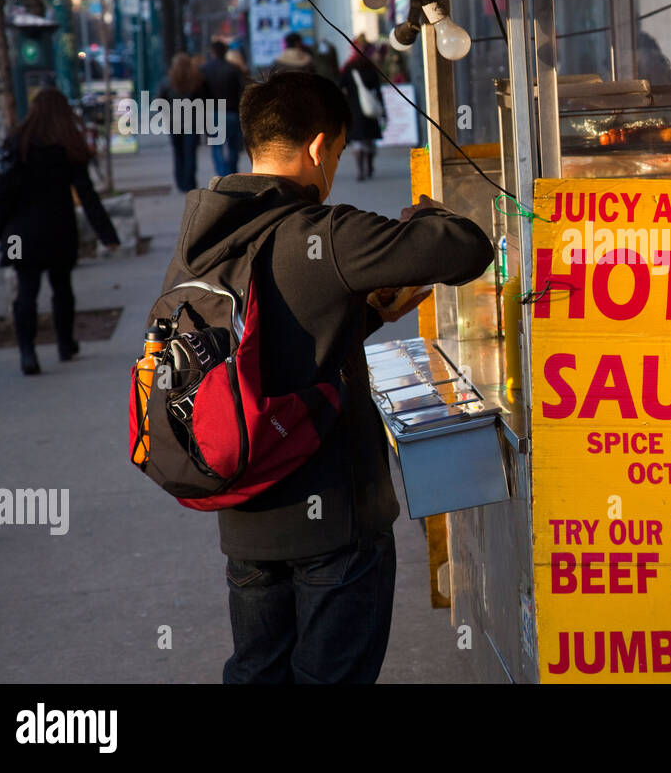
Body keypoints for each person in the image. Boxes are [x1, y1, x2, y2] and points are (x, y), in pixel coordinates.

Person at [161, 71, 493, 683]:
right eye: (336, 153)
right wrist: (427, 211)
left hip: (245, 518)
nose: (334, 168)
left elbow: (256, 352)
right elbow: (466, 248)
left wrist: (364, 314)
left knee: (257, 671)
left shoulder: (201, 241)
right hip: (335, 518)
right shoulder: (326, 233)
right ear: (319, 147)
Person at [0, 88, 120, 375]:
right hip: (58, 231)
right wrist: (107, 234)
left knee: (26, 291)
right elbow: (88, 195)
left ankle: (27, 352)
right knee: (62, 288)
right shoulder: (66, 146)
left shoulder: (16, 143)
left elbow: (1, 193)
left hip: (19, 236)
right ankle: (65, 344)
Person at [339, 36, 385, 181]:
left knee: (357, 141)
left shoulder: (348, 68)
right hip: (370, 110)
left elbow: (340, 86)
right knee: (369, 140)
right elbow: (378, 90)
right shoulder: (370, 67)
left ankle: (360, 171)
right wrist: (383, 110)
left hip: (354, 110)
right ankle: (370, 166)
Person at [160, 53, 208, 192]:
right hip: (192, 123)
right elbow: (204, 101)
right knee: (190, 153)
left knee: (178, 153)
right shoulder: (197, 81)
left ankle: (180, 182)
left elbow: (159, 101)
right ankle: (190, 182)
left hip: (174, 122)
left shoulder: (167, 82)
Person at [201, 40, 246, 177]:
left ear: (212, 52)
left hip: (213, 112)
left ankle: (222, 174)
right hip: (231, 111)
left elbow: (201, 94)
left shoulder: (204, 70)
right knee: (233, 145)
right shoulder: (234, 69)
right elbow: (242, 91)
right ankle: (232, 171)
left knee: (217, 147)